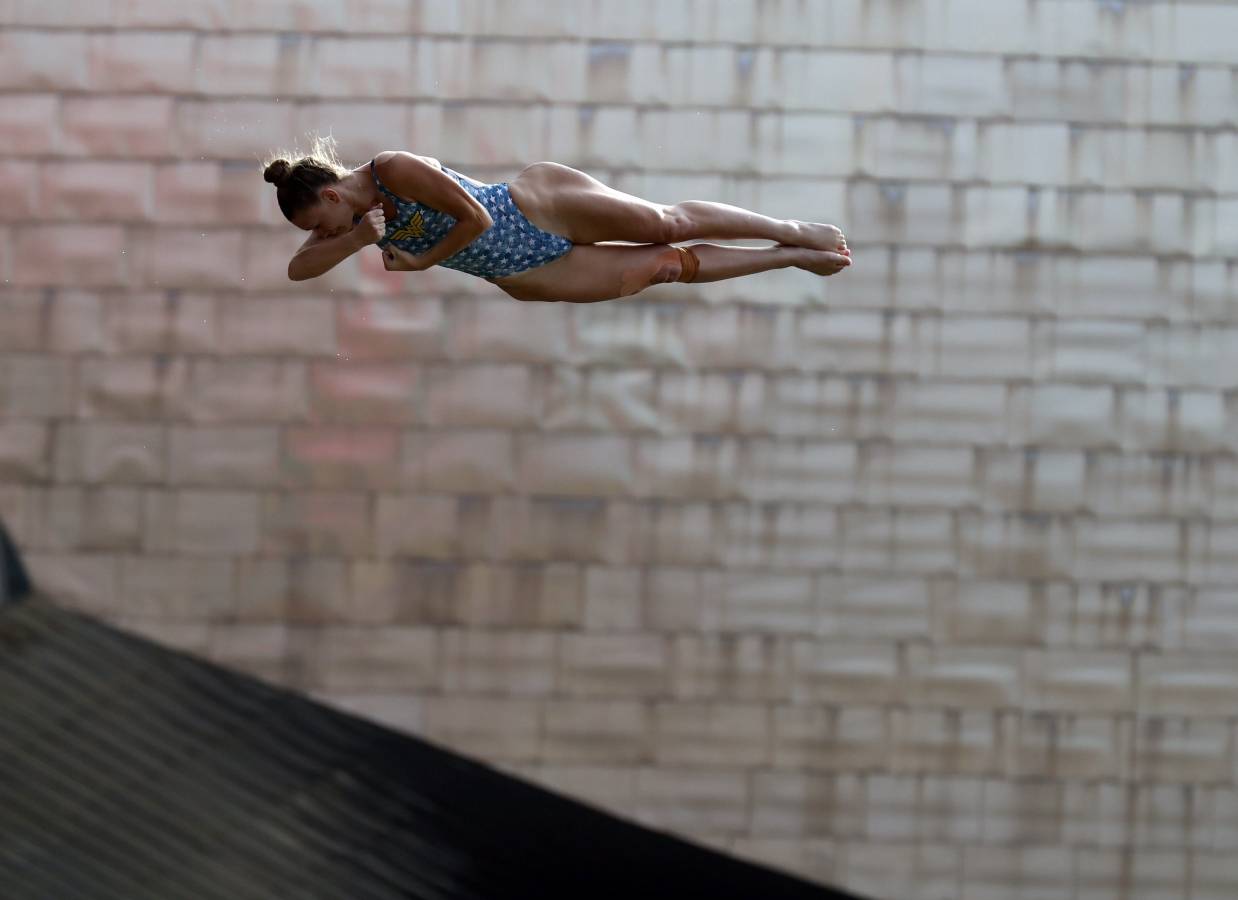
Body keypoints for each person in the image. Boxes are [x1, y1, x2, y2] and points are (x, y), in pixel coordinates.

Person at [262, 135, 851, 303]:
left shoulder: (394, 169)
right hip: (528, 273)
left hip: (532, 207)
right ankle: (791, 259)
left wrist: (421, 260)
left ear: (334, 196)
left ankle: (790, 230)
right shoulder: (353, 224)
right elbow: (297, 272)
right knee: (667, 266)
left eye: (325, 225)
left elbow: (474, 220)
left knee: (667, 224)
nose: (326, 237)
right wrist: (353, 242)